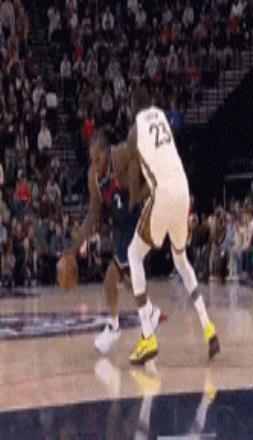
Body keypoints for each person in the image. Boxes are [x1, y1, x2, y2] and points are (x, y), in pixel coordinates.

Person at [126, 85, 220, 365]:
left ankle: (147, 335)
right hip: (183, 190)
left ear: (133, 108)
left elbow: (135, 181)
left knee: (134, 254)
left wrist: (134, 196)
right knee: (181, 260)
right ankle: (208, 326)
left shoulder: (134, 131)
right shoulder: (162, 117)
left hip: (164, 194)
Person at [59, 129, 161, 355]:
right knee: (123, 280)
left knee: (112, 277)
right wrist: (73, 249)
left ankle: (117, 327)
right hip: (121, 226)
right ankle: (148, 312)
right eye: (92, 160)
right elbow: (92, 215)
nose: (95, 164)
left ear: (107, 152)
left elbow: (151, 174)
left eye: (98, 159)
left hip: (138, 218)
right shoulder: (93, 178)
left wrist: (143, 195)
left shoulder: (122, 155)